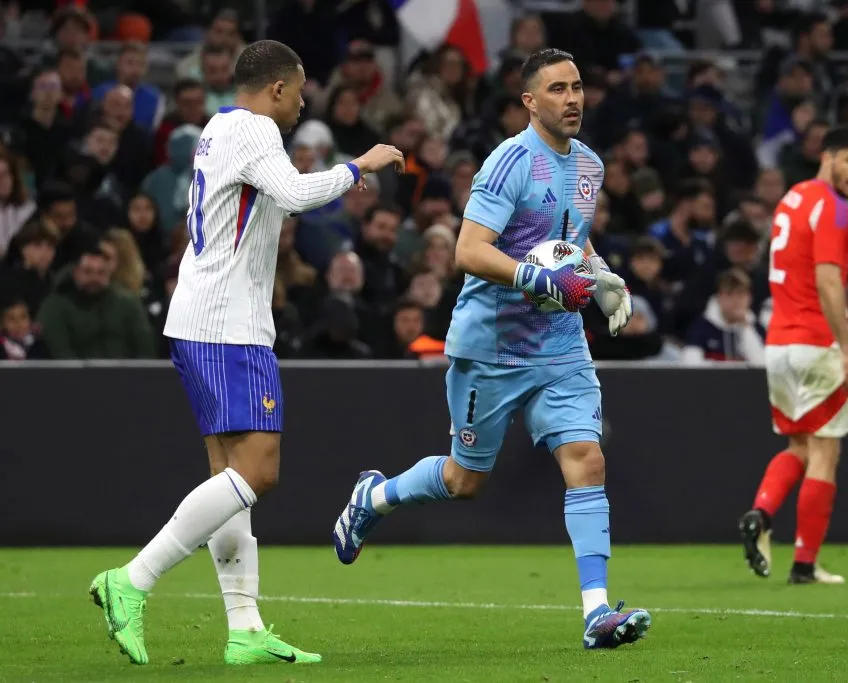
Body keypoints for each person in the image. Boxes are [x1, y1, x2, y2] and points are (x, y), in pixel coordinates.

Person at [88, 40, 405, 667]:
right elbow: (291, 193)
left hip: (208, 319)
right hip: (226, 326)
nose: (305, 101)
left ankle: (244, 627)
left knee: (230, 481)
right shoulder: (257, 129)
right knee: (259, 471)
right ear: (280, 90)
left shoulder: (220, 128)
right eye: (301, 88)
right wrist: (356, 165)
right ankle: (132, 580)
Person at [331, 48, 649, 650]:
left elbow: (569, 246)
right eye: (557, 89)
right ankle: (372, 497)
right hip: (493, 349)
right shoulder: (510, 161)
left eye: (578, 86)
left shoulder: (590, 166)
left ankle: (596, 612)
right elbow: (469, 251)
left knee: (587, 459)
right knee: (463, 479)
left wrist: (603, 278)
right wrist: (539, 281)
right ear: (530, 102)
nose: (573, 98)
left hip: (559, 345)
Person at [738, 125, 848, 585]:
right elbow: (829, 281)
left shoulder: (794, 198)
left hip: (779, 343)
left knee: (799, 444)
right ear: (828, 156)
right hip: (818, 343)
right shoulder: (834, 210)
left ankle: (761, 511)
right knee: (825, 451)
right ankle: (804, 564)